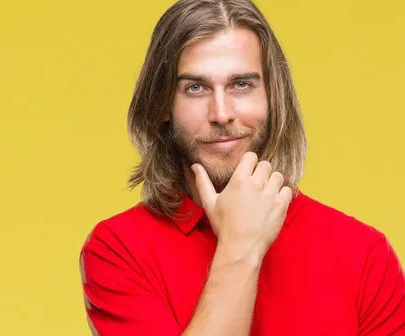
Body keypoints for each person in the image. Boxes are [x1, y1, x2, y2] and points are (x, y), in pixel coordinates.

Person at [78, 0, 405, 335]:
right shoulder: (118, 251)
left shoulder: (364, 254)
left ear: (272, 98)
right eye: (195, 88)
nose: (221, 113)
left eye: (241, 84)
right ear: (163, 105)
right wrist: (240, 246)